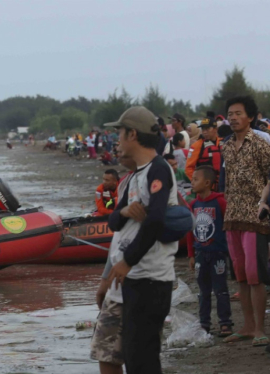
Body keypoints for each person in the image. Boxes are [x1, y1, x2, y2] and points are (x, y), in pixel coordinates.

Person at [104, 106, 177, 374]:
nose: (117, 140)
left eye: (120, 133)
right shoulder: (137, 173)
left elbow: (156, 220)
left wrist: (127, 261)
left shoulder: (158, 169)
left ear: (133, 134)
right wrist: (123, 210)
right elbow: (113, 220)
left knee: (143, 358)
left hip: (151, 279)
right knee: (135, 357)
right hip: (136, 279)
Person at [220, 95, 270, 347]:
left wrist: (264, 203)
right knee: (240, 273)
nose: (233, 118)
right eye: (230, 114)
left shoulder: (261, 144)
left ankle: (260, 328)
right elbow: (225, 182)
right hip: (232, 217)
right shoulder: (225, 145)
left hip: (256, 217)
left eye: (238, 113)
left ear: (250, 117)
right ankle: (247, 326)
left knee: (255, 273)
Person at [91, 151, 136, 374]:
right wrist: (104, 280)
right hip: (116, 285)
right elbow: (104, 213)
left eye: (109, 179)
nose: (105, 182)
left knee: (135, 354)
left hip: (138, 283)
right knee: (106, 353)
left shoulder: (155, 179)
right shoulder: (123, 185)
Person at [187, 165, 233, 336]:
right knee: (203, 291)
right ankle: (204, 323)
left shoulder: (220, 202)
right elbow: (190, 232)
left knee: (221, 289)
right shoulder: (193, 204)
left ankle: (225, 323)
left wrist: (231, 251)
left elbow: (228, 227)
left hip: (218, 254)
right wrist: (191, 255)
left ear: (207, 183)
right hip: (200, 254)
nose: (192, 182)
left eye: (195, 179)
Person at [185, 117, 222, 188]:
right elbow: (188, 169)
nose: (204, 132)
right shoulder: (196, 146)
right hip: (206, 188)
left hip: (223, 186)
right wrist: (198, 182)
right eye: (203, 129)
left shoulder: (224, 143)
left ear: (215, 129)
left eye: (207, 129)